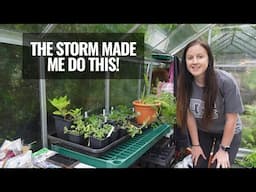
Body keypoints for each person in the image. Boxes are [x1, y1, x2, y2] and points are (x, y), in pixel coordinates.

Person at [176, 39, 244, 168]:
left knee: (219, 165)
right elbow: (189, 116)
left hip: (228, 132)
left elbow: (232, 119)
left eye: (200, 56)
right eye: (190, 58)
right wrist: (195, 146)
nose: (195, 61)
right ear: (185, 62)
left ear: (209, 59)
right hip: (203, 130)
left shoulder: (226, 81)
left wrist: (223, 150)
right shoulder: (184, 83)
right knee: (198, 163)